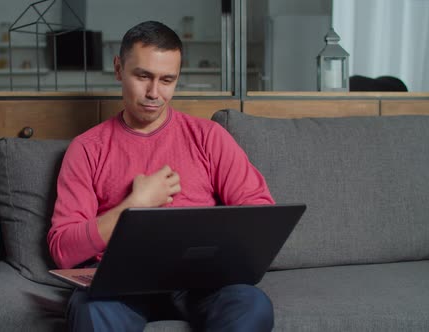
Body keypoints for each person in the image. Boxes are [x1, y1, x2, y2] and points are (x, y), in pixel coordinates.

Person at [48, 20, 276, 332]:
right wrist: (133, 206)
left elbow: (261, 219)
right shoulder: (87, 149)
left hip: (202, 281)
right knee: (90, 310)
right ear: (118, 69)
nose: (154, 93)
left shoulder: (209, 137)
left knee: (253, 305)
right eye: (143, 76)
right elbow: (62, 249)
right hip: (120, 284)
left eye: (167, 80)